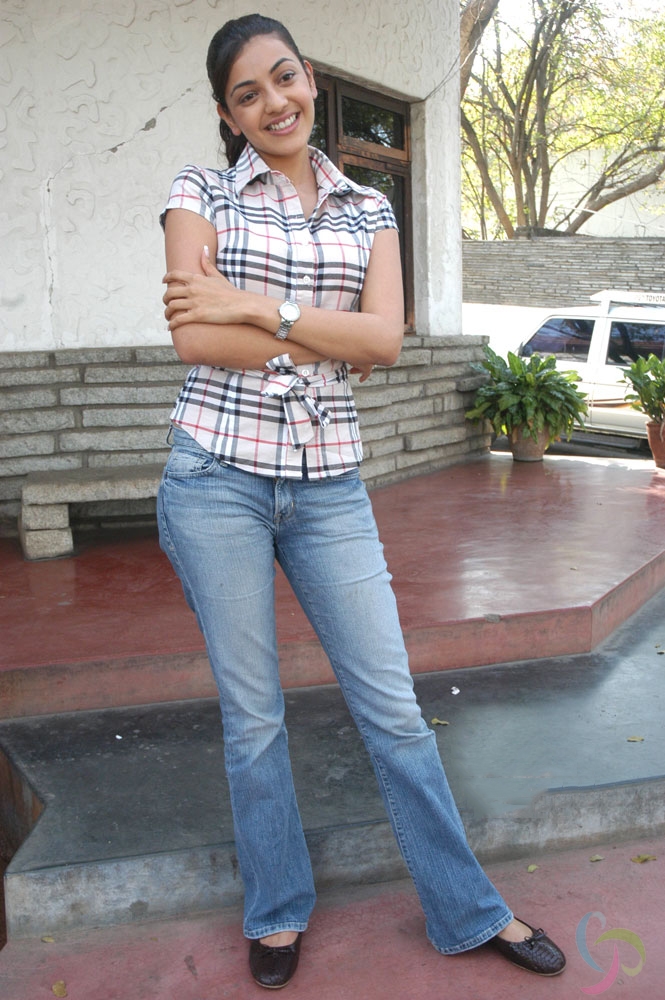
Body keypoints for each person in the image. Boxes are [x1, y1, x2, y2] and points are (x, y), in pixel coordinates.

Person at [157, 13, 566, 990]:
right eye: (247, 94)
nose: (274, 102)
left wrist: (253, 306)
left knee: (392, 707)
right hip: (215, 477)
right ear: (227, 113)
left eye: (283, 77)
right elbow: (194, 338)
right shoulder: (198, 191)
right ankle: (275, 909)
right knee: (253, 718)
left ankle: (468, 908)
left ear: (309, 77)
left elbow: (385, 340)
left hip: (330, 482)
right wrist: (321, 331)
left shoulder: (368, 207)